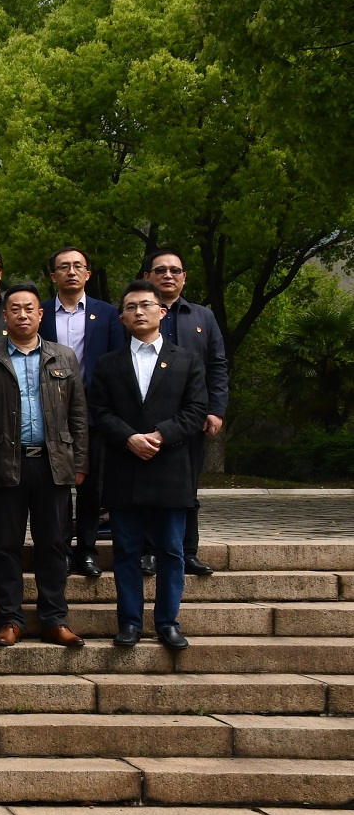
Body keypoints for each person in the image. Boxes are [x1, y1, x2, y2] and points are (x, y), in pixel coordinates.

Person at [90, 279, 208, 651]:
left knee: (171, 550)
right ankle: (129, 622)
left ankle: (168, 623)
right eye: (131, 307)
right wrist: (129, 438)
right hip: (125, 467)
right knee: (126, 550)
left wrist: (160, 435)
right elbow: (100, 411)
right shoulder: (108, 364)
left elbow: (196, 411)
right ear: (122, 318)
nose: (139, 312)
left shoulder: (186, 360)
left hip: (170, 467)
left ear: (162, 311)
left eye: (146, 305)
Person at [0, 285, 88, 648]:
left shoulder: (63, 356)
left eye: (29, 308)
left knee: (53, 543)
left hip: (53, 463)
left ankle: (54, 619)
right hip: (5, 463)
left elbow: (78, 413)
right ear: (5, 316)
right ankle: (10, 618)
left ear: (41, 314)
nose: (22, 314)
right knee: (5, 544)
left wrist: (79, 462)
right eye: (15, 309)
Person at [141, 247, 228, 578]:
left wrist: (215, 409)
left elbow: (217, 365)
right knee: (146, 484)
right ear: (147, 276)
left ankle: (187, 551)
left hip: (192, 415)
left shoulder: (203, 317)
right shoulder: (136, 313)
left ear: (184, 277)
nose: (168, 275)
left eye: (175, 270)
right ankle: (148, 551)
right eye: (160, 270)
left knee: (187, 488)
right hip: (146, 414)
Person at [40, 245, 126, 578]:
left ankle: (87, 549)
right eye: (64, 267)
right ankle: (60, 549)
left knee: (92, 487)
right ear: (53, 276)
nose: (72, 271)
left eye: (78, 266)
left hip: (94, 413)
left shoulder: (107, 314)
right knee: (58, 486)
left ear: (88, 274)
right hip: (51, 412)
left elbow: (116, 361)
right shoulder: (42, 312)